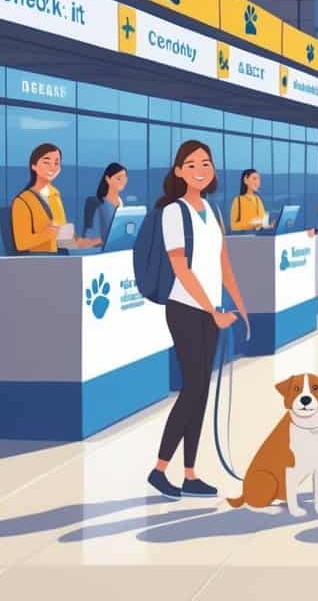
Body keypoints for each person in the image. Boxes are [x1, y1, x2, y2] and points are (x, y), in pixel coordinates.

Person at [148, 140, 249, 499]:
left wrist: (240, 306)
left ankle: (190, 473)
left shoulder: (212, 209)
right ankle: (160, 469)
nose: (199, 170)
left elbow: (223, 264)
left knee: (202, 390)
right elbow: (181, 268)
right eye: (190, 164)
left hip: (211, 311)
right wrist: (213, 311)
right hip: (185, 309)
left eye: (205, 163)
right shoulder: (173, 212)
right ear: (178, 171)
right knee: (192, 388)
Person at [11, 143, 101, 253]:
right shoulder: (22, 201)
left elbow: (63, 239)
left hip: (61, 254)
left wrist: (91, 242)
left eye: (56, 163)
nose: (52, 167)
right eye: (46, 162)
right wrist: (46, 234)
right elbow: (21, 244)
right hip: (40, 258)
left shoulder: (55, 195)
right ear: (33, 166)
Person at [83, 162, 128, 242]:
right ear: (108, 179)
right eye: (119, 178)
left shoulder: (120, 202)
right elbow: (91, 235)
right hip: (101, 246)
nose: (123, 182)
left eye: (125, 178)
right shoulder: (99, 204)